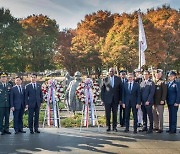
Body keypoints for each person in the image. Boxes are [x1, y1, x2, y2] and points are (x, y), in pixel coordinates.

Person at [101, 68, 122, 132]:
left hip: (115, 99)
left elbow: (121, 90)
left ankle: (114, 127)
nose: (111, 72)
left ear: (114, 72)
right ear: (108, 72)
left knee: (115, 114)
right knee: (107, 114)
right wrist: (102, 100)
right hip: (107, 100)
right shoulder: (105, 79)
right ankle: (108, 126)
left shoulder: (118, 79)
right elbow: (102, 90)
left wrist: (120, 99)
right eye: (110, 71)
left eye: (112, 71)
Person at [153, 69, 167, 133]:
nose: (157, 75)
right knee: (154, 114)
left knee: (160, 115)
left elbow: (164, 92)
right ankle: (156, 126)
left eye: (159, 74)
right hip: (154, 102)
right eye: (156, 74)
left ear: (161, 75)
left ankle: (161, 128)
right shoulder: (153, 81)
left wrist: (163, 100)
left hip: (160, 101)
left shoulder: (162, 82)